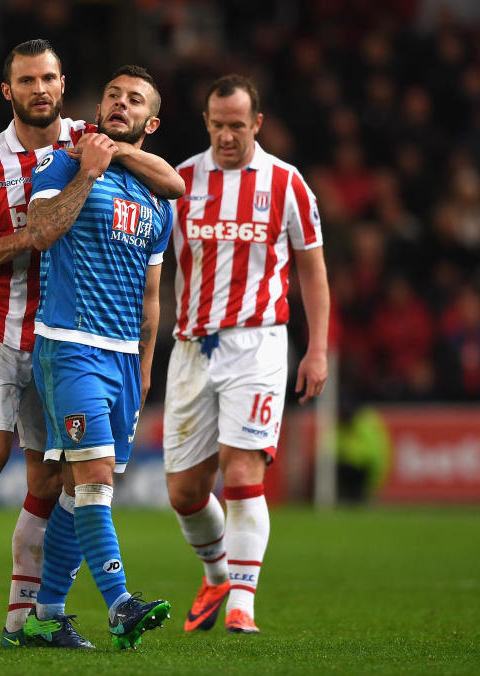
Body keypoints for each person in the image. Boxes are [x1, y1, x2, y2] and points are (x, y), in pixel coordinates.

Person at [0, 41, 184, 649]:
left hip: (63, 336)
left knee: (50, 482)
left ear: (62, 82)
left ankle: (23, 619)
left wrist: (111, 157)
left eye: (50, 77)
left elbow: (168, 182)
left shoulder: (89, 137)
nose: (40, 89)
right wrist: (24, 238)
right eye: (27, 80)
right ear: (9, 91)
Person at [163, 74, 330, 635]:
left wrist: (318, 349)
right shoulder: (180, 181)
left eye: (238, 125)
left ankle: (243, 605)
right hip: (190, 347)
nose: (227, 135)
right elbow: (152, 270)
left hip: (259, 342)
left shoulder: (286, 183)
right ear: (206, 122)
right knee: (185, 493)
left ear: (257, 123)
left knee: (241, 470)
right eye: (218, 125)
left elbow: (312, 268)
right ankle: (216, 576)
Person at [22, 65, 175, 651]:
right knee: (92, 478)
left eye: (134, 99)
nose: (120, 103)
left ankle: (45, 614)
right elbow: (39, 230)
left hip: (124, 362)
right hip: (70, 345)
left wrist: (145, 367)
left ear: (150, 122)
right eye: (112, 94)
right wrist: (87, 172)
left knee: (78, 492)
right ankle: (119, 604)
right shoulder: (64, 161)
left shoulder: (158, 196)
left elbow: (151, 298)